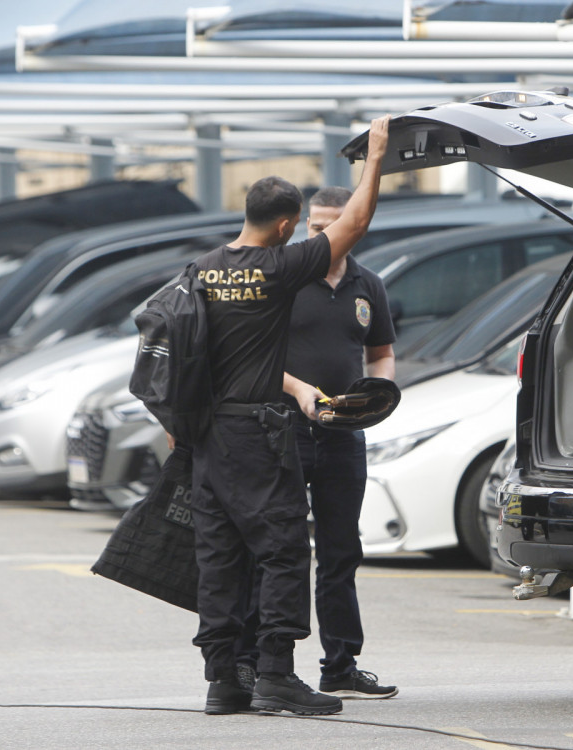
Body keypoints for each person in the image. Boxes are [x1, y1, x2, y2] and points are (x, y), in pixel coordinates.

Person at [192, 116, 390, 717]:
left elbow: (174, 353)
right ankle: (275, 673)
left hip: (210, 439)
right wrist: (376, 156)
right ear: (287, 227)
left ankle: (225, 680)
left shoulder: (198, 272)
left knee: (223, 556)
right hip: (265, 432)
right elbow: (356, 222)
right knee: (283, 551)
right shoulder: (280, 270)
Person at [234, 186, 399, 699]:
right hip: (281, 433)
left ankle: (341, 663)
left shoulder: (367, 284)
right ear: (302, 227)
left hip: (342, 436)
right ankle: (263, 662)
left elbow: (381, 354)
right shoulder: (281, 279)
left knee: (341, 550)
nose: (326, 234)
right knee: (276, 549)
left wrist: (379, 393)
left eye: (337, 223)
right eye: (316, 226)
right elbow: (248, 355)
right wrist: (299, 392)